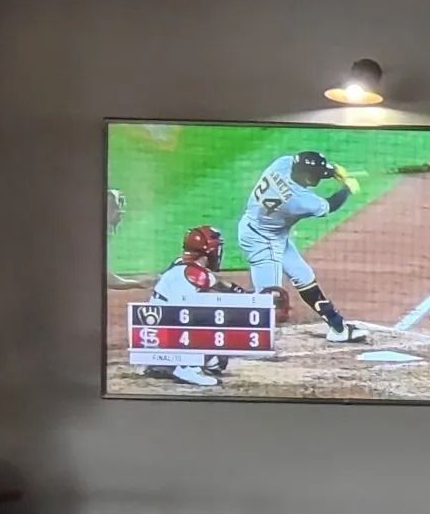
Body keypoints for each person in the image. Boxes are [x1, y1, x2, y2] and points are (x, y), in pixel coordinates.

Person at [237, 149, 369, 344]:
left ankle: (338, 327)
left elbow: (307, 167)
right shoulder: (298, 201)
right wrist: (347, 189)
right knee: (268, 297)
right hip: (261, 240)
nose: (315, 178)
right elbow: (330, 205)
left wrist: (331, 170)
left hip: (270, 231)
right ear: (305, 175)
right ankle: (243, 338)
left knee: (303, 276)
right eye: (314, 176)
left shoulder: (282, 164)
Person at [143, 225, 241, 389]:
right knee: (214, 314)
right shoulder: (195, 273)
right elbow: (219, 286)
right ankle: (188, 368)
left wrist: (242, 292)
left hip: (155, 337)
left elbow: (217, 282)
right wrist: (249, 297)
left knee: (217, 361)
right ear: (209, 251)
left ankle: (161, 363)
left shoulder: (179, 265)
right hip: (171, 334)